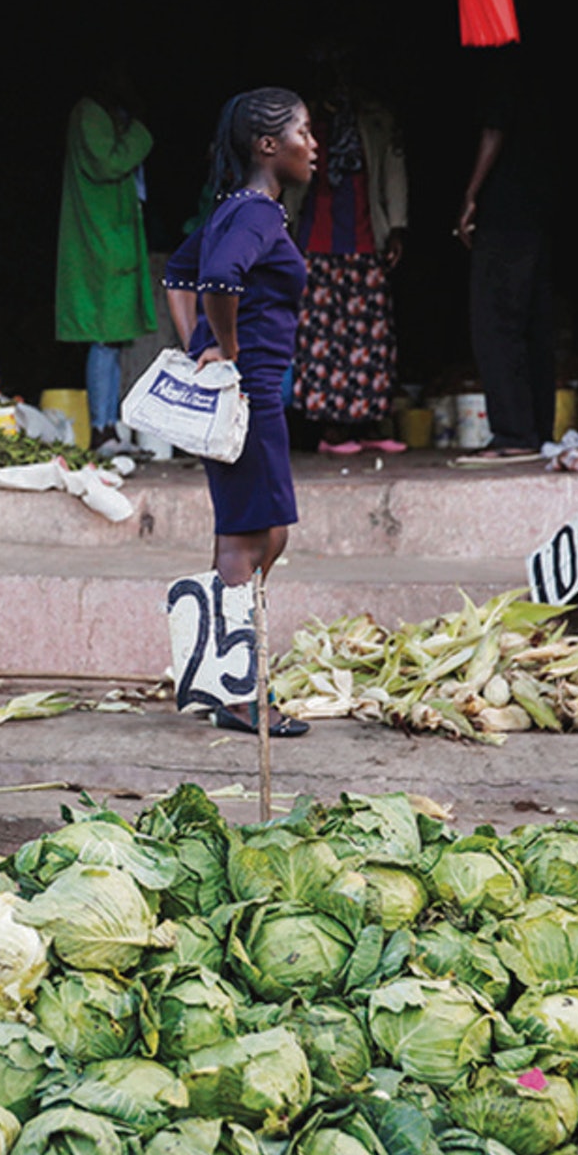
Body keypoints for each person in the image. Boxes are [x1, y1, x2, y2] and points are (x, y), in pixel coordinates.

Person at [164, 88, 317, 737]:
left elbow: (179, 273)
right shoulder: (256, 216)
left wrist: (197, 346)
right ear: (266, 146)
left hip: (239, 387)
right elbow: (218, 280)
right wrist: (222, 352)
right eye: (303, 133)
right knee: (249, 538)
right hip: (249, 390)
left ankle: (225, 673)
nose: (313, 145)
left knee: (261, 530)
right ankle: (238, 693)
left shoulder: (232, 209)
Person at [284, 57, 409, 455]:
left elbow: (393, 169)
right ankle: (333, 429)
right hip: (315, 240)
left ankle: (369, 421)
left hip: (364, 237)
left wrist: (397, 226)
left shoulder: (373, 118)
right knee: (322, 336)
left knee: (371, 335)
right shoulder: (300, 119)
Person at [454, 44, 554, 465]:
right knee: (532, 323)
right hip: (541, 207)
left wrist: (472, 194)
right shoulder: (544, 59)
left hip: (507, 210)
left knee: (496, 323)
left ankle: (514, 432)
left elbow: (494, 128)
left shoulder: (502, 61)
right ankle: (536, 431)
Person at [55, 67, 155, 447]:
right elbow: (108, 163)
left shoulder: (109, 116)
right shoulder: (89, 114)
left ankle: (110, 424)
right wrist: (140, 131)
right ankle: (100, 429)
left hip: (113, 237)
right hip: (98, 240)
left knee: (112, 341)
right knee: (102, 336)